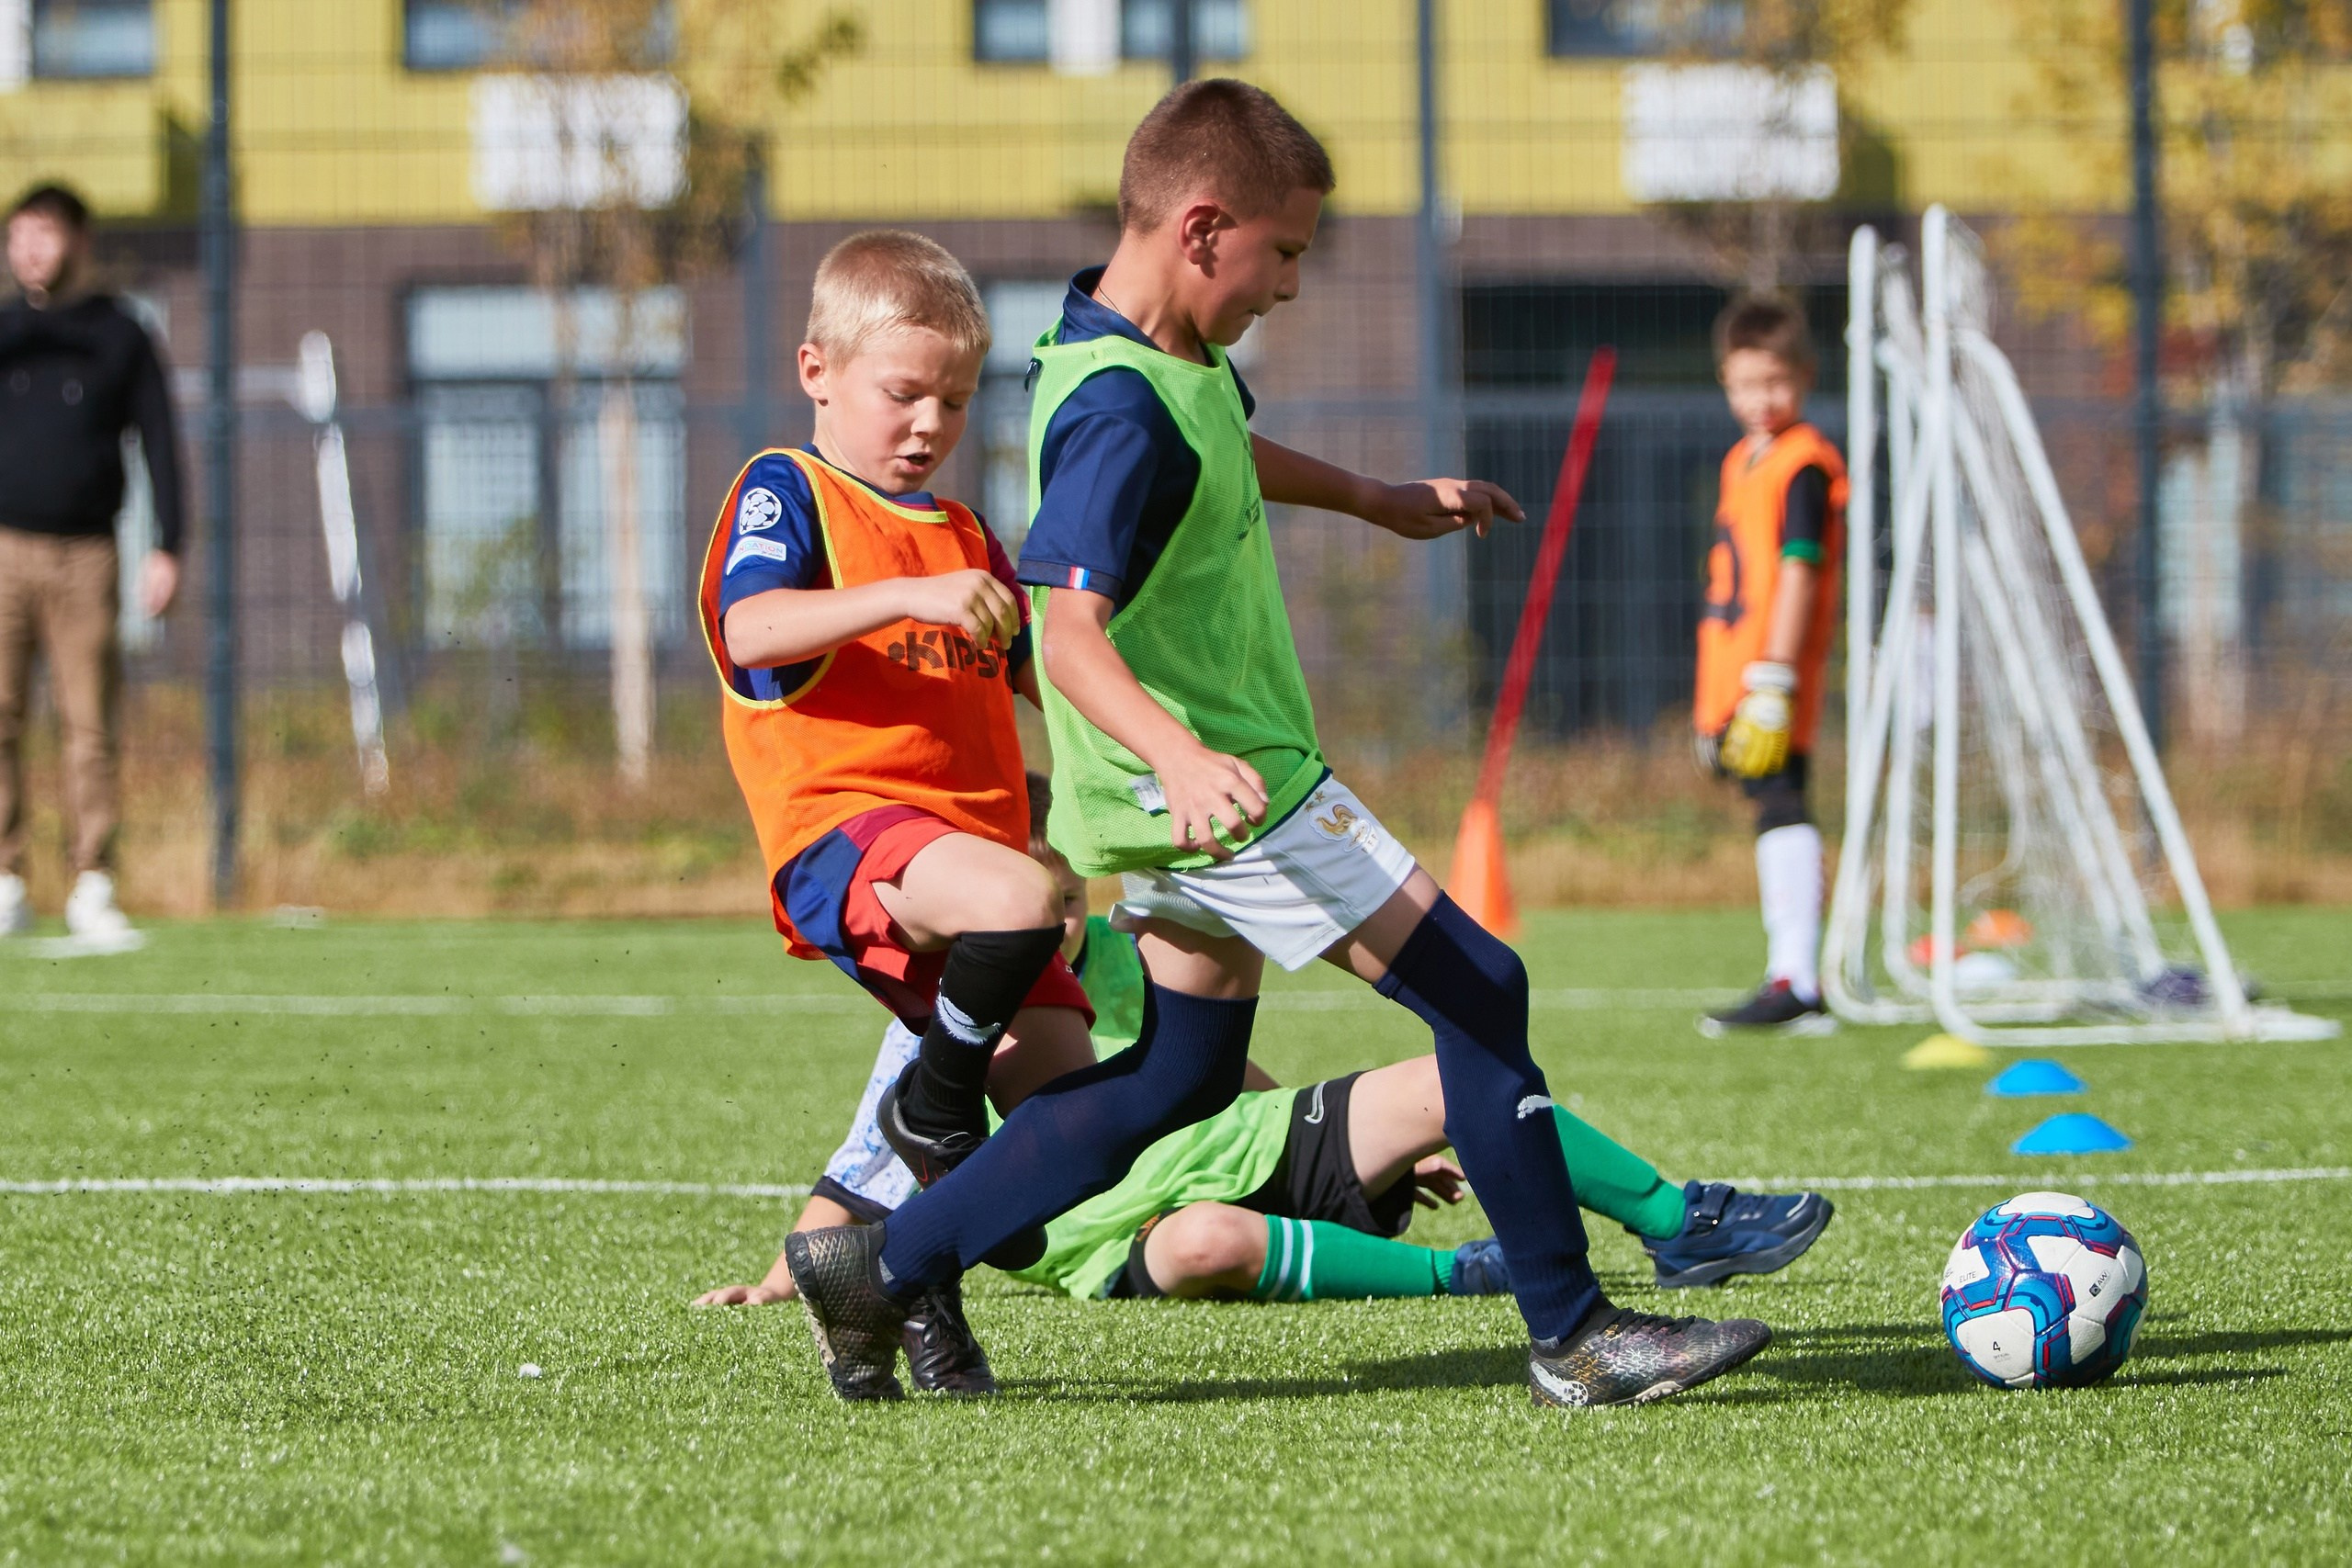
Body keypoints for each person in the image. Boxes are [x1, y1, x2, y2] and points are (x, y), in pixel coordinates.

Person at [784, 80, 1774, 1413]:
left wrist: (1379, 498)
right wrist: (1181, 761)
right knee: (1483, 989)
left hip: (1192, 790)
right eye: (1287, 250)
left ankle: (883, 1262)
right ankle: (1576, 1329)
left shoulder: (1165, 357)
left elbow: (1230, 452)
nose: (1294, 284)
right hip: (1225, 787)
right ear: (1203, 228)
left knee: (1178, 1075)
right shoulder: (1114, 408)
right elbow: (1067, 628)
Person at [699, 774, 1834, 1363]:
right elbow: (865, 1165)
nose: (1045, 914)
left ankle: (1680, 1219)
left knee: (1454, 1079)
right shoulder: (950, 1011)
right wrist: (781, 1275)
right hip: (1117, 1238)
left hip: (1251, 1144)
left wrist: (1354, 1132)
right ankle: (1469, 1278)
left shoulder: (1120, 950)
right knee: (1205, 1243)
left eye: (1059, 890)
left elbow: (1217, 1071)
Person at [698, 229, 1102, 1399]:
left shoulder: (967, 536)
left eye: (956, 401)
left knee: (1065, 1146)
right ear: (816, 370)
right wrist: (909, 592)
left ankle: (894, 1287)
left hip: (969, 867)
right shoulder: (792, 489)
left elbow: (1044, 677)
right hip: (849, 836)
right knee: (1025, 897)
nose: (929, 423)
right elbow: (752, 630)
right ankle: (930, 1111)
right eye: (902, 393)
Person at [0, 182, 184, 942]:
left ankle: (93, 884)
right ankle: (5, 882)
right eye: (17, 237)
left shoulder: (122, 333)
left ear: (79, 239)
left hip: (89, 558)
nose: (28, 250)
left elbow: (163, 443)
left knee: (90, 726)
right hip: (3, 552)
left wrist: (170, 545)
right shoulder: (4, 331)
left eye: (42, 234)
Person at [1688, 296, 1849, 1038]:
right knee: (1768, 807)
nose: (1761, 400)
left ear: (1805, 376)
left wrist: (1775, 678)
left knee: (1785, 803)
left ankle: (1798, 978)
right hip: (1737, 673)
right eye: (1745, 384)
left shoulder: (1803, 463)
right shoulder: (1737, 458)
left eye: (1775, 382)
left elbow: (1799, 569)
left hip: (1773, 674)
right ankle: (1790, 972)